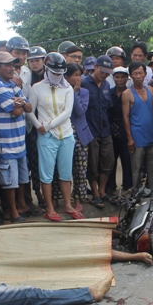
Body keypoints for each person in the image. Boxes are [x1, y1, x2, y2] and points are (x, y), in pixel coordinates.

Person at [27, 53, 83, 221]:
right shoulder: (36, 88)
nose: (57, 76)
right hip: (46, 137)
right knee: (47, 174)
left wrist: (48, 124)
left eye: (60, 73)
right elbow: (29, 110)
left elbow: (67, 112)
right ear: (46, 69)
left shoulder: (67, 88)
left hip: (65, 135)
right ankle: (50, 207)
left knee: (66, 173)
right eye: (54, 73)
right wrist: (38, 126)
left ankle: (68, 205)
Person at [0, 52, 32, 223]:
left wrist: (21, 103)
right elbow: (16, 111)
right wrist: (21, 103)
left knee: (22, 178)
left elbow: (28, 107)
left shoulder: (13, 85)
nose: (11, 68)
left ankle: (21, 206)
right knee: (9, 180)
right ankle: (13, 212)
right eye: (6, 65)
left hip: (19, 141)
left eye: (13, 65)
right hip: (5, 142)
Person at [122, 61, 153, 196]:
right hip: (137, 137)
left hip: (151, 136)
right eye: (135, 73)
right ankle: (137, 194)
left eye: (140, 73)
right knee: (137, 169)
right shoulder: (127, 93)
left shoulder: (150, 90)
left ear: (145, 74)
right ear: (131, 76)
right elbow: (126, 117)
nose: (138, 76)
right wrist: (129, 138)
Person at [82, 55, 115, 208]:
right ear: (95, 67)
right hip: (90, 130)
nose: (104, 74)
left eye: (107, 72)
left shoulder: (107, 85)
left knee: (107, 161)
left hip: (105, 129)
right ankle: (94, 193)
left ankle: (102, 191)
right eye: (102, 71)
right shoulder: (84, 83)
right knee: (92, 164)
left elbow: (108, 108)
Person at [66, 63, 94, 212]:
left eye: (80, 75)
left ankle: (78, 198)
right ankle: (65, 199)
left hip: (81, 135)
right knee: (65, 169)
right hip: (64, 134)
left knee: (80, 169)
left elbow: (79, 111)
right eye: (75, 75)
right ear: (66, 77)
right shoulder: (61, 91)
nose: (78, 78)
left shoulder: (83, 92)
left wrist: (75, 92)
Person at [25, 45, 48, 209]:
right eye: (31, 61)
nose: (34, 63)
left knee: (49, 161)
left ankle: (51, 194)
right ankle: (38, 192)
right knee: (34, 161)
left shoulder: (51, 76)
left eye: (37, 60)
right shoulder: (25, 77)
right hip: (32, 125)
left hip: (50, 122)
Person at [107, 66, 134, 199]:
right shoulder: (109, 93)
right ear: (114, 78)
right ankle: (110, 187)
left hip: (125, 132)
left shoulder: (129, 93)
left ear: (127, 78)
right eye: (117, 77)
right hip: (111, 133)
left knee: (126, 161)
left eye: (123, 77)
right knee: (111, 162)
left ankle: (127, 187)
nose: (120, 79)